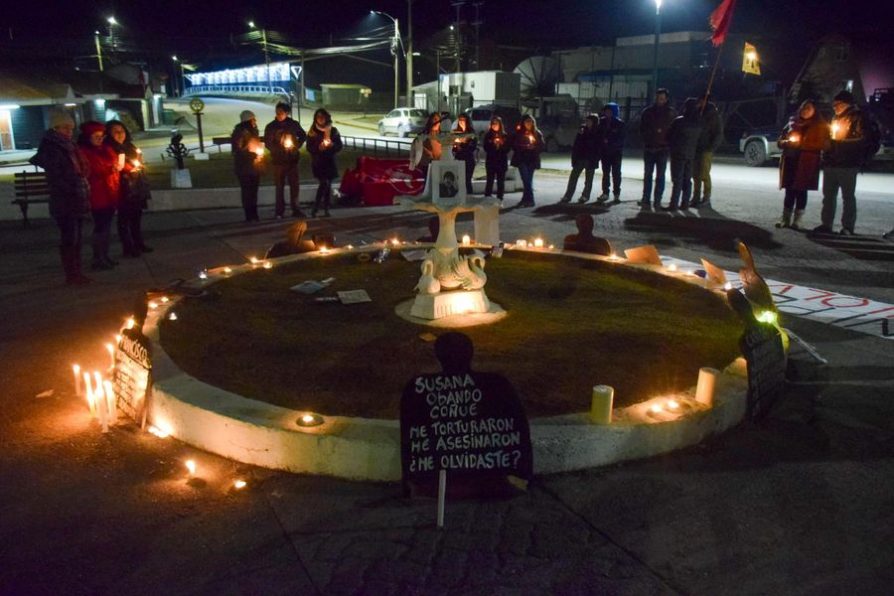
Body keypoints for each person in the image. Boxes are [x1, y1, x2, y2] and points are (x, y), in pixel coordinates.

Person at [29, 110, 91, 285]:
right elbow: (58, 175)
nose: (69, 132)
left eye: (71, 128)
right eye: (65, 128)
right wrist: (71, 186)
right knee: (69, 237)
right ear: (55, 128)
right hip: (64, 200)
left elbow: (82, 167)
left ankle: (77, 272)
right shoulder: (52, 148)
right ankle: (72, 274)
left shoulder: (71, 146)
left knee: (77, 237)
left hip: (77, 197)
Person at [814, 90, 870, 235]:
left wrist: (838, 144)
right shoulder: (836, 117)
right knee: (828, 196)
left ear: (846, 104)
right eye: (834, 104)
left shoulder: (857, 117)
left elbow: (863, 140)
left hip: (848, 164)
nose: (834, 107)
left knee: (848, 197)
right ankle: (826, 224)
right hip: (831, 162)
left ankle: (848, 227)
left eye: (837, 104)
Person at [775, 100, 830, 229]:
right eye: (804, 108)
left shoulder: (819, 125)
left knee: (801, 191)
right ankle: (785, 218)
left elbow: (822, 144)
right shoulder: (792, 122)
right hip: (791, 161)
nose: (806, 110)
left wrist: (802, 145)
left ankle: (797, 220)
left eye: (809, 108)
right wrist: (786, 143)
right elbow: (780, 140)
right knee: (789, 190)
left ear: (814, 111)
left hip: (807, 163)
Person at [77, 121, 122, 270]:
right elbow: (92, 171)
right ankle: (98, 257)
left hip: (109, 193)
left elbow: (114, 163)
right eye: (96, 136)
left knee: (107, 227)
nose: (100, 139)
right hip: (97, 195)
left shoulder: (105, 149)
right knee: (100, 227)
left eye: (101, 136)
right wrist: (111, 168)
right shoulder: (85, 152)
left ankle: (105, 255)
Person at [106, 120, 152, 257]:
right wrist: (130, 168)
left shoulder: (129, 146)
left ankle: (138, 243)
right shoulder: (110, 148)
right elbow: (117, 166)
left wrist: (139, 165)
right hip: (123, 187)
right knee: (124, 218)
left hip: (136, 186)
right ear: (109, 134)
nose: (120, 134)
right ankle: (128, 247)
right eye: (116, 131)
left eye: (122, 131)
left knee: (136, 217)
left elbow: (137, 159)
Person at [264, 101, 307, 218]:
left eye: (281, 112)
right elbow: (267, 143)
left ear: (287, 113)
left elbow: (303, 135)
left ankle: (296, 209)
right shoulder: (271, 126)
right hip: (278, 161)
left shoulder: (293, 124)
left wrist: (296, 146)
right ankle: (279, 211)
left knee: (294, 186)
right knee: (279, 186)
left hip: (292, 160)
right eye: (277, 112)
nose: (278, 114)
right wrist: (277, 149)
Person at [639, 88, 676, 209]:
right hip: (650, 147)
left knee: (660, 176)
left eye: (662, 98)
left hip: (662, 149)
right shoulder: (648, 112)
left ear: (666, 99)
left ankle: (657, 200)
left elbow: (674, 131)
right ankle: (646, 198)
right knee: (648, 175)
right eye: (658, 98)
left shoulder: (671, 113)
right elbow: (642, 129)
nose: (660, 100)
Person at [664, 98, 702, 211]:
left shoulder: (679, 121)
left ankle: (674, 204)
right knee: (687, 180)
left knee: (677, 179)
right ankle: (685, 203)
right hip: (691, 154)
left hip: (678, 153)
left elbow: (669, 136)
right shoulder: (698, 123)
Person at [306, 108, 343, 218]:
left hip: (330, 162)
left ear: (326, 118)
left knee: (328, 185)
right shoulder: (312, 131)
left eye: (322, 117)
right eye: (318, 117)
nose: (320, 119)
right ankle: (316, 208)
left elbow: (339, 146)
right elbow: (309, 147)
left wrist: (332, 146)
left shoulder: (333, 130)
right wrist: (318, 148)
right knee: (324, 183)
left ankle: (326, 208)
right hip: (318, 162)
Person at [559, 114, 600, 204]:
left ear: (594, 122)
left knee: (588, 179)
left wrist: (596, 158)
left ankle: (585, 196)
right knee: (573, 177)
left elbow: (598, 147)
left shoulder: (597, 132)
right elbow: (577, 144)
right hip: (581, 157)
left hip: (591, 158)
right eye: (587, 121)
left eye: (589, 121)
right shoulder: (582, 130)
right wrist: (574, 158)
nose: (587, 123)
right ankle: (568, 195)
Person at [692, 94, 723, 208]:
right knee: (695, 174)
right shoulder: (696, 113)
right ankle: (695, 196)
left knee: (704, 173)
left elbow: (718, 133)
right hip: (696, 148)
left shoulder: (713, 115)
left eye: (701, 101)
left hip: (706, 149)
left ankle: (706, 198)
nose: (699, 103)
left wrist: (711, 147)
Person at [231, 110, 263, 222]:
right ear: (248, 120)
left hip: (254, 167)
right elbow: (237, 150)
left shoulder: (253, 131)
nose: (255, 121)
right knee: (247, 191)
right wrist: (252, 154)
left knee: (254, 191)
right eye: (253, 119)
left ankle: (254, 213)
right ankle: (249, 215)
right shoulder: (240, 132)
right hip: (244, 167)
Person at [510, 115, 544, 207]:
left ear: (533, 123)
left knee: (528, 180)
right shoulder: (519, 133)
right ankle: (531, 200)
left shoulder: (537, 133)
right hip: (522, 159)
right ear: (523, 123)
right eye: (527, 121)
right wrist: (524, 147)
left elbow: (541, 146)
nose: (529, 123)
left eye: (530, 121)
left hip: (532, 159)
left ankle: (525, 200)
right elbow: (514, 145)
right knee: (526, 179)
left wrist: (534, 147)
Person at [596, 102, 625, 203]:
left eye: (609, 111)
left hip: (616, 152)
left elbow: (622, 138)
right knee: (606, 173)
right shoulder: (602, 122)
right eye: (606, 111)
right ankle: (605, 192)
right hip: (605, 152)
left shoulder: (619, 123)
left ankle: (616, 193)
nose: (607, 113)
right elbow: (598, 135)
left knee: (616, 173)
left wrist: (610, 141)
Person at [482, 116, 511, 201]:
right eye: (493, 123)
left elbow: (508, 148)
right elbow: (486, 147)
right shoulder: (488, 135)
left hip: (501, 162)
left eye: (496, 123)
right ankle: (487, 197)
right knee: (490, 180)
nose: (494, 125)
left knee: (500, 181)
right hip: (491, 161)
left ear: (500, 124)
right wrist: (493, 145)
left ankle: (500, 198)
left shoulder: (504, 135)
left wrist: (501, 145)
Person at [451, 113, 478, 194]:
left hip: (468, 160)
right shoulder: (456, 132)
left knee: (467, 181)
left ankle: (469, 197)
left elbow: (471, 147)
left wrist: (461, 145)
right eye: (460, 120)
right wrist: (455, 146)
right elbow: (453, 148)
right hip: (459, 159)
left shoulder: (471, 133)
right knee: (459, 181)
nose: (461, 122)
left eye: (463, 120)